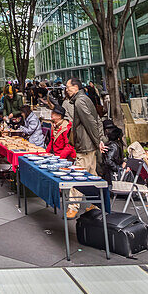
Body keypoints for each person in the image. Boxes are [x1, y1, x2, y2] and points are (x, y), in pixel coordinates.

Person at [64, 78, 106, 218]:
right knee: (92, 175)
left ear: (75, 87)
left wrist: (98, 141)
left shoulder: (80, 101)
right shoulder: (85, 98)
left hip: (85, 145)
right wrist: (98, 140)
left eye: (68, 87)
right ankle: (97, 203)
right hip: (89, 144)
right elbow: (96, 121)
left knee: (78, 176)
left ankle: (73, 207)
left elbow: (90, 123)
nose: (66, 89)